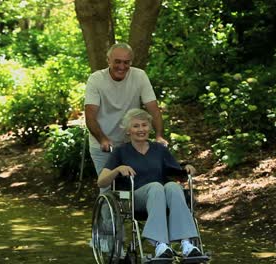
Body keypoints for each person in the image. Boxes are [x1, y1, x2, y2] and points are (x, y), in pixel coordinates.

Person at [98, 108, 202, 259]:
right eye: (136, 126)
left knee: (173, 186)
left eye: (144, 125)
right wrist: (118, 169)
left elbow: (178, 173)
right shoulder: (120, 152)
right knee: (156, 187)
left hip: (162, 196)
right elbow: (101, 182)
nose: (141, 129)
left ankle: (186, 244)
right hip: (136, 198)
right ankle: (160, 245)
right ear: (128, 130)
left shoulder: (159, 149)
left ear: (150, 128)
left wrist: (186, 169)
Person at [84, 42, 168, 183]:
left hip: (131, 143)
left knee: (136, 185)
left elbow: (153, 108)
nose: (122, 67)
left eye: (126, 62)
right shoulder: (96, 79)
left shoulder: (139, 76)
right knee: (108, 187)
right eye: (117, 62)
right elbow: (90, 116)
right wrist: (102, 139)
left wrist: (159, 135)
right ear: (108, 60)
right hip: (103, 143)